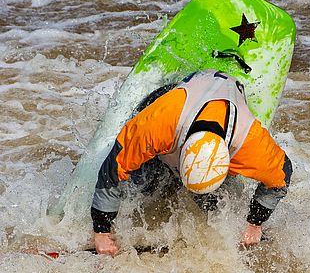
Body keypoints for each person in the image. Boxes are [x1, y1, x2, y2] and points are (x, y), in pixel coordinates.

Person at [91, 69, 292, 256]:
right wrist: (101, 231)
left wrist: (255, 223)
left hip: (220, 105)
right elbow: (113, 170)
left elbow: (281, 177)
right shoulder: (156, 125)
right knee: (139, 189)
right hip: (172, 99)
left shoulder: (251, 145)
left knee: (214, 207)